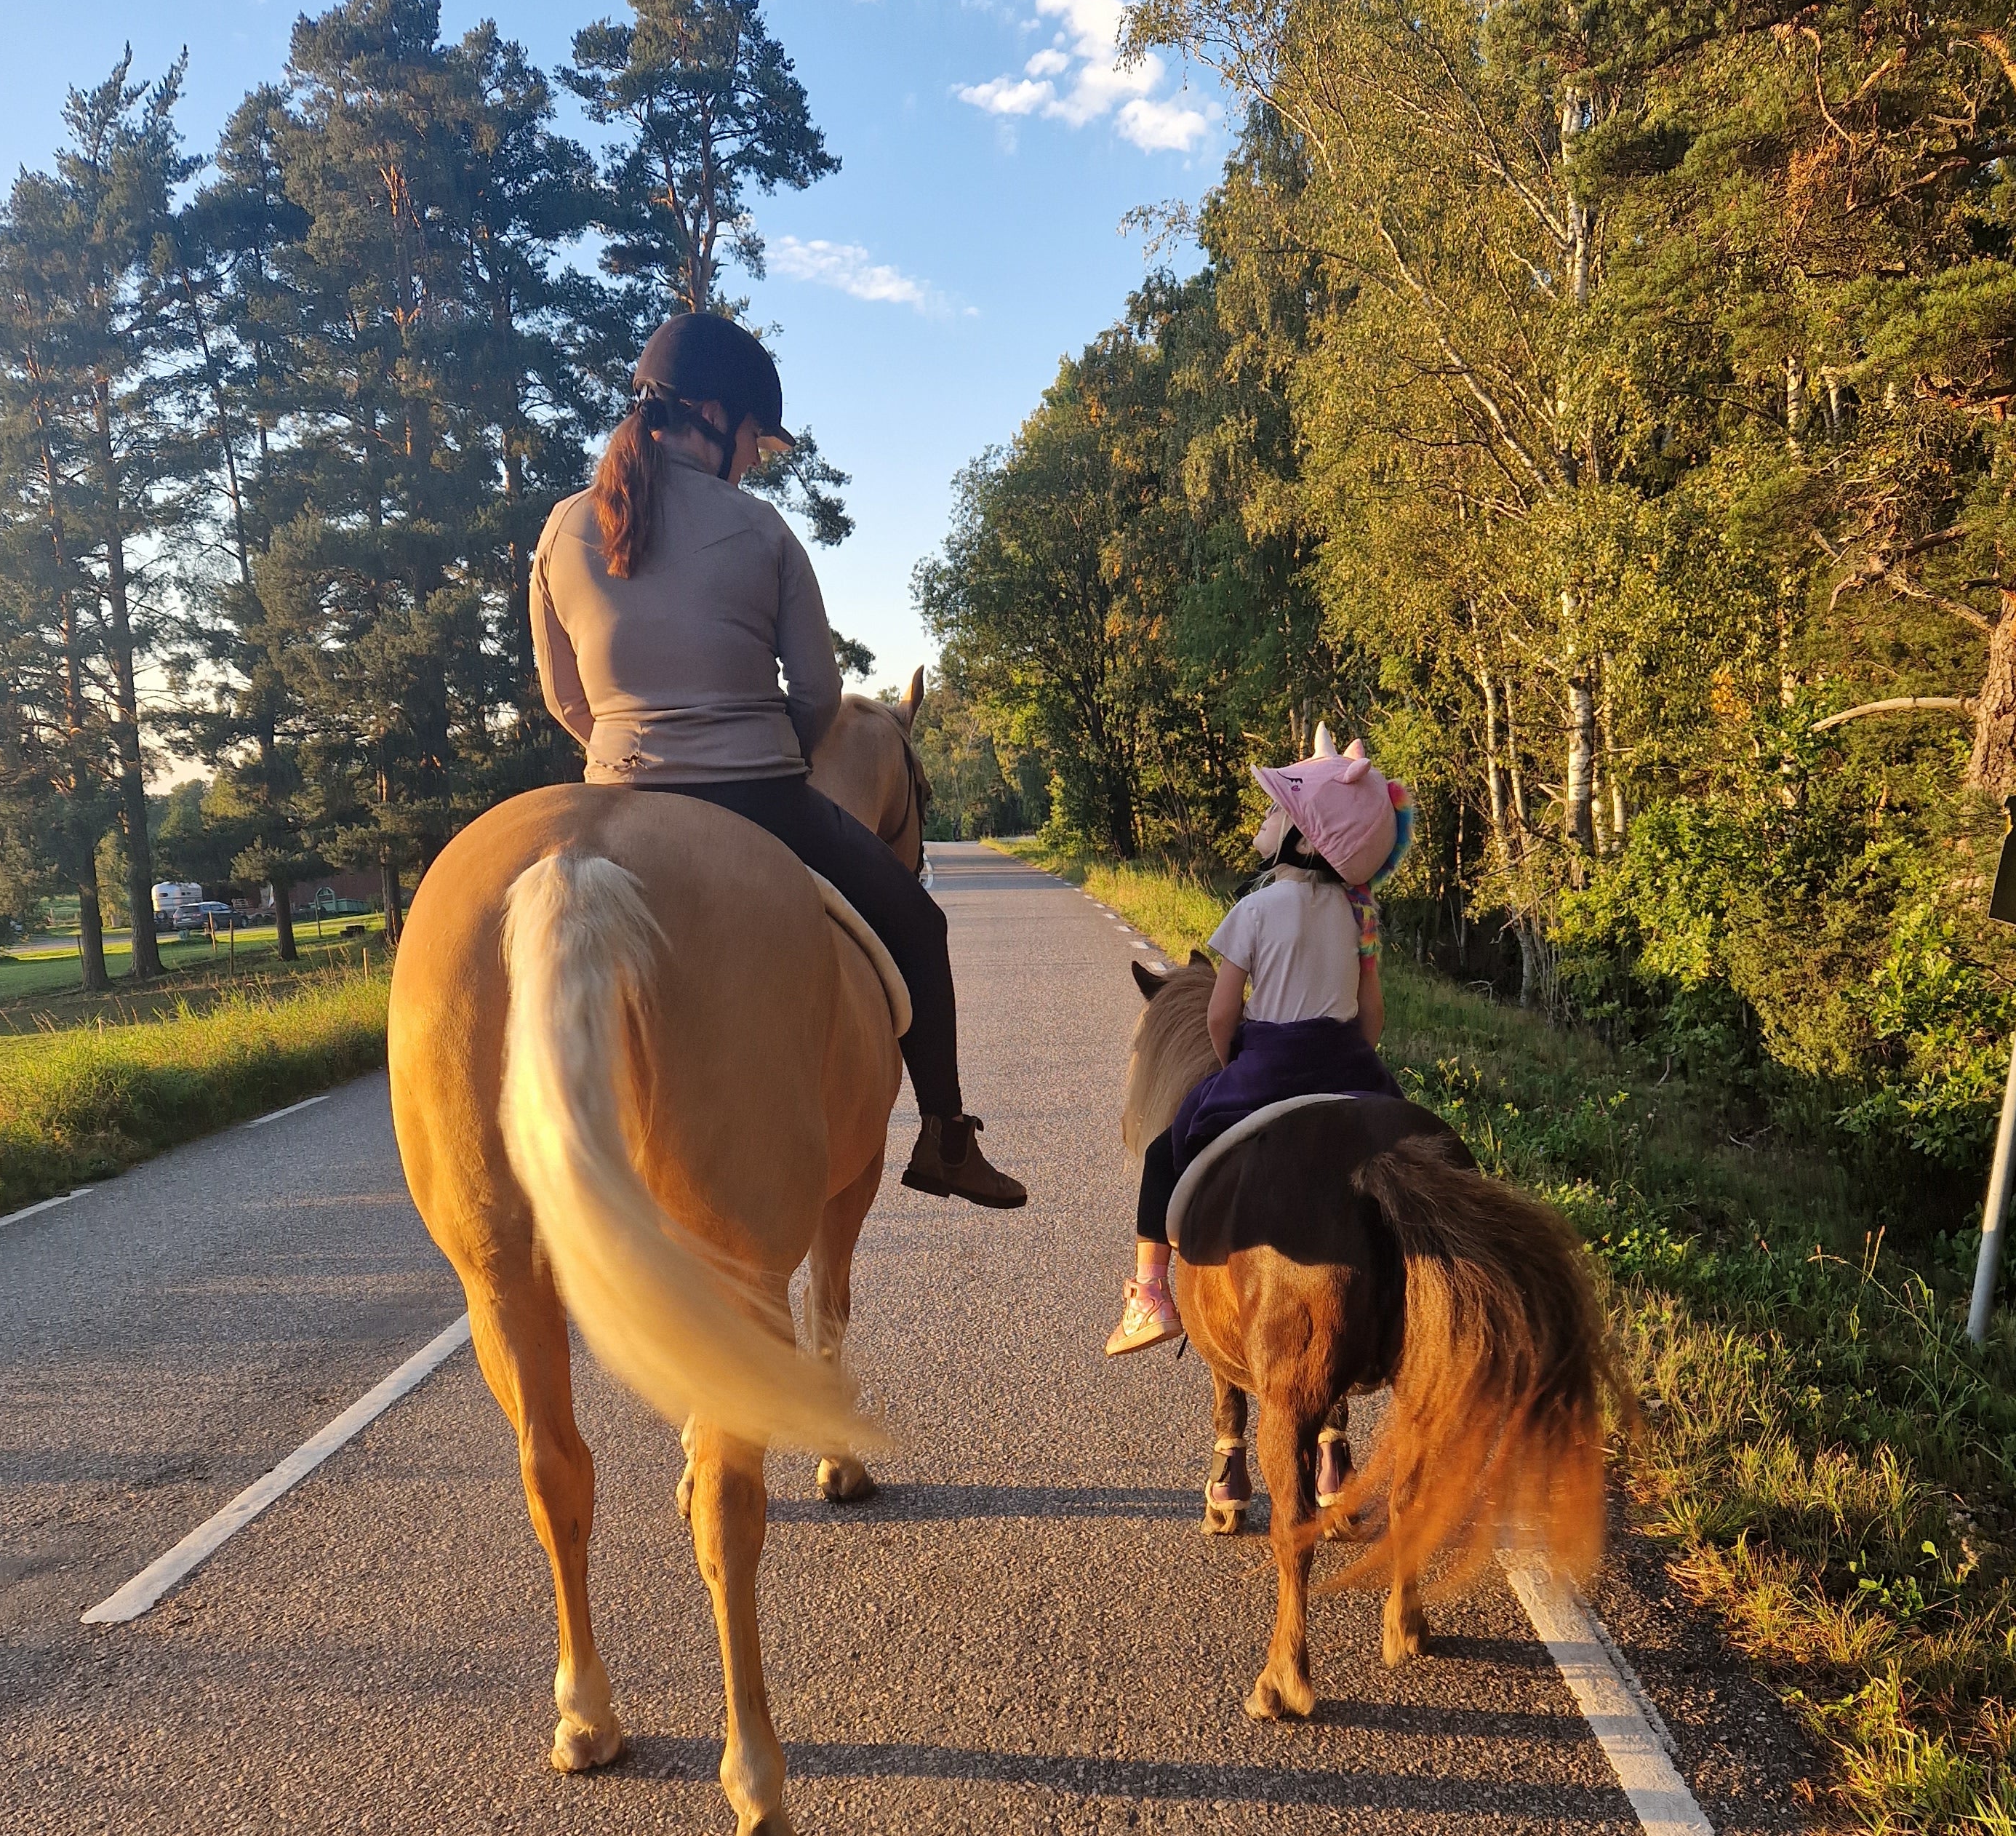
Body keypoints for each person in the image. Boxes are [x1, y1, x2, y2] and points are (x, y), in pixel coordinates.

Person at [529, 309, 1025, 1209]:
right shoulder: (762, 532)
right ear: (715, 416)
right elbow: (819, 694)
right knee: (918, 924)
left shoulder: (562, 529)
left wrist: (630, 761)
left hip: (610, 797)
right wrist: (769, 759)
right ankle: (947, 1138)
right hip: (755, 795)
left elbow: (565, 698)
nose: (758, 458)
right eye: (758, 437)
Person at [1108, 730, 1415, 1353]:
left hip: (1267, 1067)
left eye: (1278, 810)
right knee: (1411, 1146)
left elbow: (1222, 1014)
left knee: (1167, 1151)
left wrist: (1233, 1067)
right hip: (1348, 1063)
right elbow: (1372, 1014)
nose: (1267, 817)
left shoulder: (1254, 909)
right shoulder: (1360, 916)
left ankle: (1150, 1294)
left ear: (1307, 838)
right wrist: (1353, 1055)